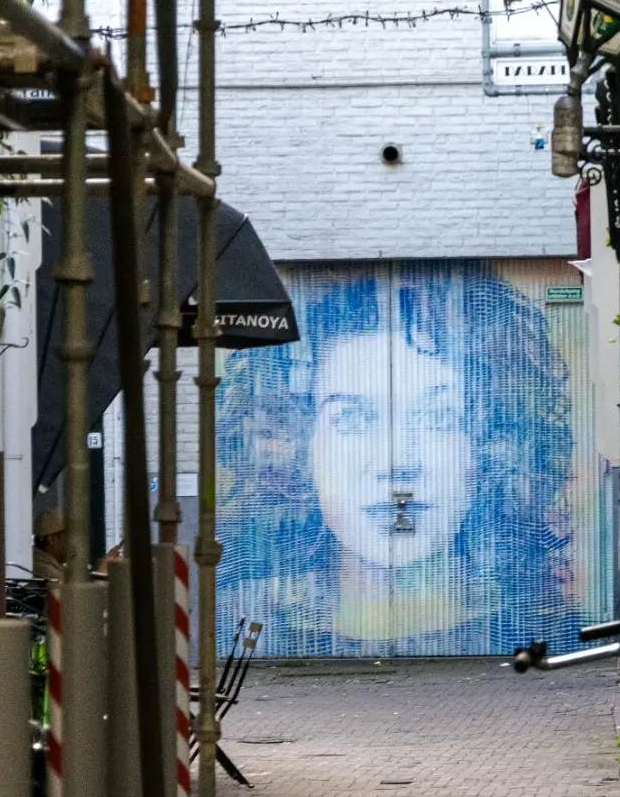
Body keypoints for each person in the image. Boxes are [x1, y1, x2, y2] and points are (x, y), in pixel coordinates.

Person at [217, 266, 582, 657]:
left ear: (490, 444)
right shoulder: (240, 625)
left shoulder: (552, 635)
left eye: (441, 417)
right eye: (352, 418)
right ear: (302, 444)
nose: (398, 464)